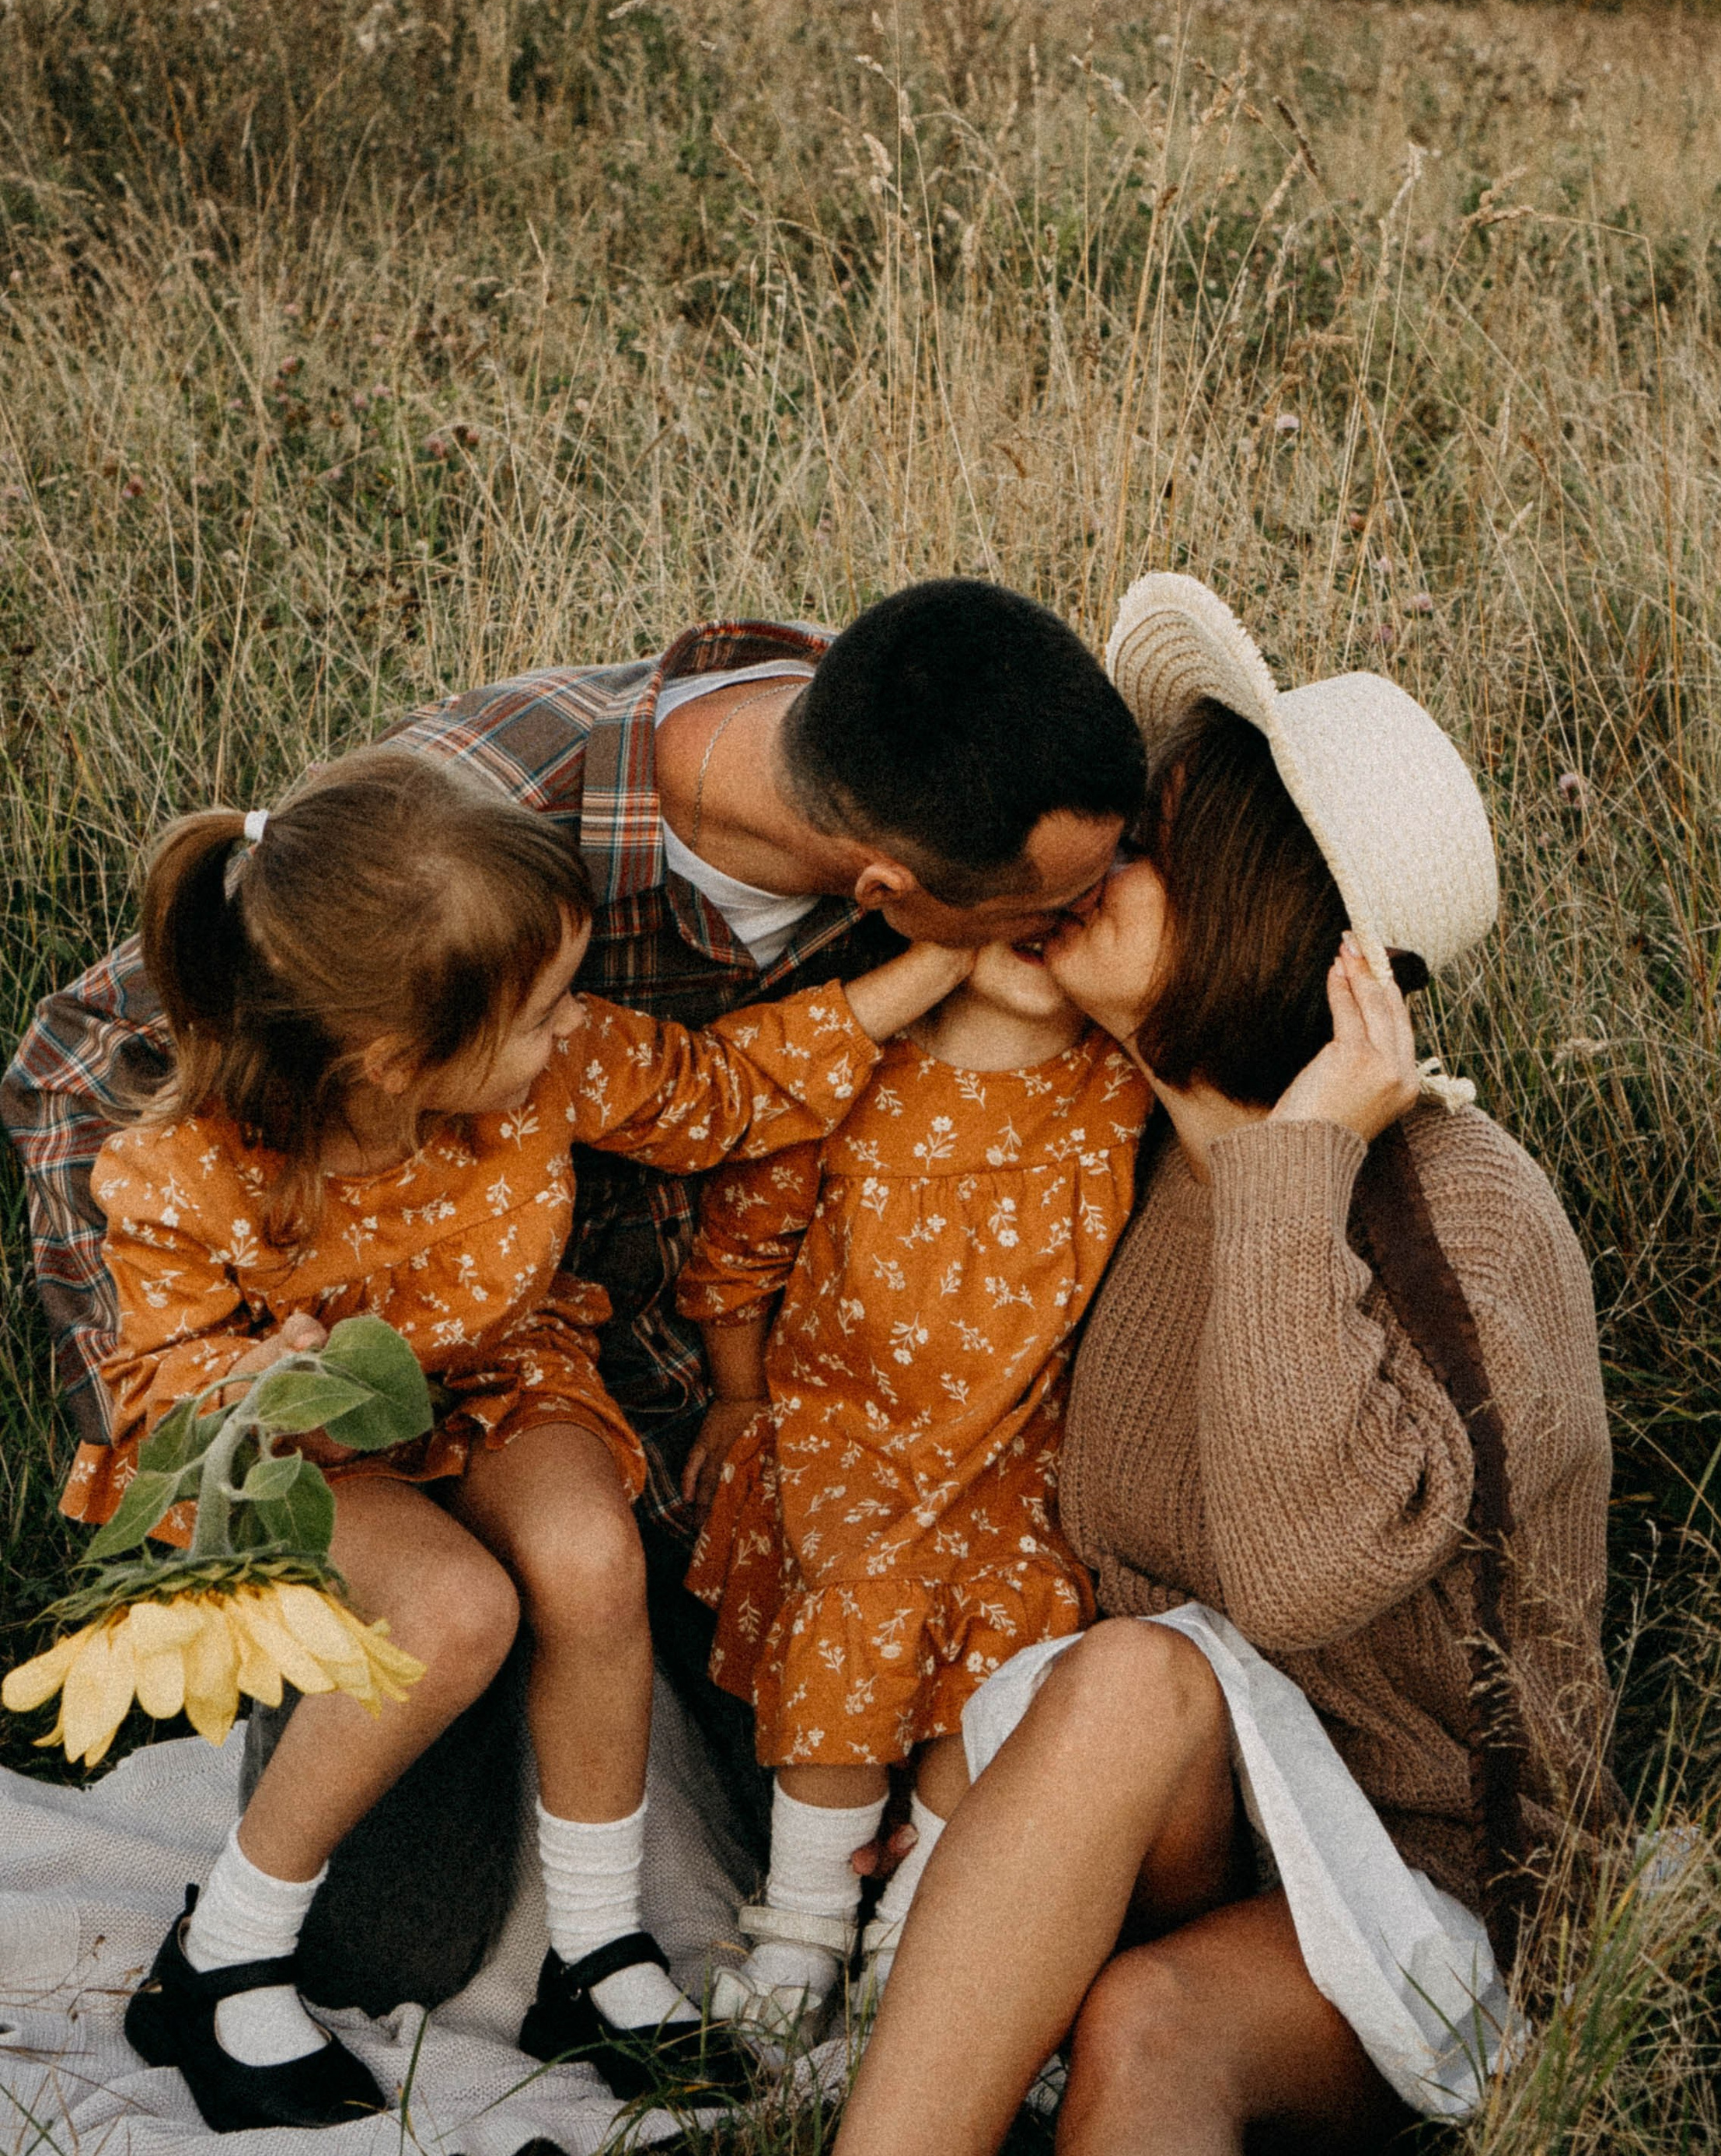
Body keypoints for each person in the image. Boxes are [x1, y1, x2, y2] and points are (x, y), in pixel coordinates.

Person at [755, 575, 1621, 2156]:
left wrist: (1296, 1166)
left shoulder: (1457, 1216)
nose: (1079, 879)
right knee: (1136, 1686)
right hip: (1153, 1794)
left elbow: (1304, 1581)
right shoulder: (1128, 1138)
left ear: (1256, 908)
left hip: (1425, 1880)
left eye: (1142, 847)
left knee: (1156, 2014)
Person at [2, 581, 1147, 1857]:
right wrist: (204, 1414)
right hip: (344, 1412)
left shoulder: (939, 751)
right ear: (885, 889)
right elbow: (78, 1065)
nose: (1068, 927)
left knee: (781, 1788)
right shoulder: (481, 840)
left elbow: (721, 1093)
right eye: (1040, 917)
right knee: (404, 1929)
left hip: (618, 1394)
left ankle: (605, 1936)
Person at [80, 746, 966, 2134]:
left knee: (589, 1557)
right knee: (454, 1606)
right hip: (303, 1451)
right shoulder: (192, 1163)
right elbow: (162, 1387)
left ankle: (593, 1948)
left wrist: (940, 960)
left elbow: (724, 1095)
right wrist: (261, 1373)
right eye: (546, 1014)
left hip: (499, 1379)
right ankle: (223, 1952)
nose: (574, 1031)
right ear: (395, 1060)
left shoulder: (547, 1067)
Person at [672, 934, 1151, 2044]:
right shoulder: (862, 1065)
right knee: (862, 1596)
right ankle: (803, 1919)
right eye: (1013, 898)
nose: (1044, 921)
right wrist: (739, 1401)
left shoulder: (1119, 1083)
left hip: (1011, 1445)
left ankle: (925, 1919)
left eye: (1077, 901)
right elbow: (744, 1246)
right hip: (849, 1428)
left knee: (1031, 1613)